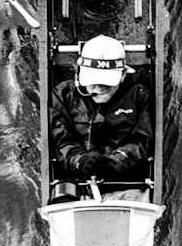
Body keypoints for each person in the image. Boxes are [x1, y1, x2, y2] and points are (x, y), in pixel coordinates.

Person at [49, 34, 152, 188]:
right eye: (93, 81)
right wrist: (79, 161)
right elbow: (60, 139)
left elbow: (142, 141)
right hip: (72, 183)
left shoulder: (140, 96)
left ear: (123, 75)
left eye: (106, 82)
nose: (98, 88)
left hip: (127, 183)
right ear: (79, 73)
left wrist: (112, 165)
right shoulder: (63, 95)